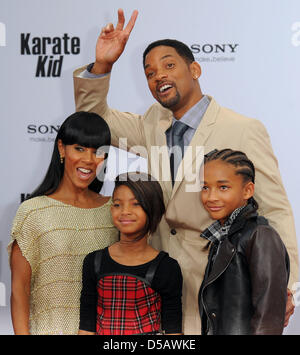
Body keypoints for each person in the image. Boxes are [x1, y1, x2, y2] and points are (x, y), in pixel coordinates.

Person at [73, 9, 298, 334]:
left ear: (195, 69)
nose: (158, 76)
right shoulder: (151, 122)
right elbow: (94, 121)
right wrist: (103, 66)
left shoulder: (243, 128)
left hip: (221, 283)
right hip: (158, 286)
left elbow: (275, 209)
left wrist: (284, 285)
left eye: (168, 65)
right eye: (149, 72)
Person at [8, 111, 119, 335]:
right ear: (61, 148)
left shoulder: (114, 211)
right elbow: (19, 290)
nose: (88, 159)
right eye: (79, 148)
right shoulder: (32, 212)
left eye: (97, 152)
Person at [78, 172, 183, 335]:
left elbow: (173, 330)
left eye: (135, 204)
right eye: (117, 204)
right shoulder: (94, 261)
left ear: (152, 208)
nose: (125, 211)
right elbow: (86, 326)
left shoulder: (166, 267)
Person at [198, 149, 289, 335]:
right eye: (205, 187)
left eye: (223, 187)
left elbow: (268, 321)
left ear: (248, 190)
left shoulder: (260, 236)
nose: (211, 197)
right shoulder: (221, 237)